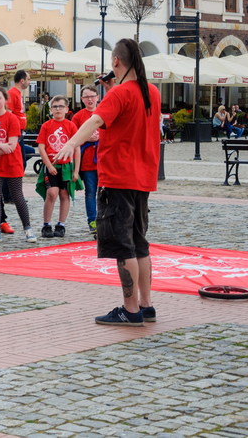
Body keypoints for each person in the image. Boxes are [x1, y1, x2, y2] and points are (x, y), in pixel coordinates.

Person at [54, 38, 162, 326]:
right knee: (140, 243)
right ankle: (146, 305)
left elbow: (94, 121)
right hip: (142, 177)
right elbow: (129, 114)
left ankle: (130, 309)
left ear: (115, 62)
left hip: (118, 177)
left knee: (122, 246)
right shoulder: (151, 91)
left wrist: (71, 143)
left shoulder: (119, 94)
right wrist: (113, 89)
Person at [0, 86, 35, 244]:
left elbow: (11, 146)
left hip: (12, 164)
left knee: (17, 196)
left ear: (5, 100)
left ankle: (28, 229)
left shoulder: (12, 118)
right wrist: (0, 147)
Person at [37, 95, 80, 238]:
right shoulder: (46, 126)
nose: (58, 109)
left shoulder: (71, 126)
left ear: (66, 109)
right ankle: (46, 224)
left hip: (66, 166)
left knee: (64, 194)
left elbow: (77, 148)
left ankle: (61, 224)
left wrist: (76, 170)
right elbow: (41, 147)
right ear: (51, 109)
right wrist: (49, 165)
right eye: (55, 107)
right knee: (52, 193)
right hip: (51, 165)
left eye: (61, 106)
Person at [73, 86, 101, 238]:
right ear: (82, 99)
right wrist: (86, 138)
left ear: (97, 97)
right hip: (87, 161)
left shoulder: (104, 112)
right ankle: (92, 221)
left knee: (106, 192)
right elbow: (73, 138)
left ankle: (105, 219)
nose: (90, 99)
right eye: (86, 97)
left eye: (92, 96)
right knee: (90, 192)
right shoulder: (78, 117)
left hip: (104, 159)